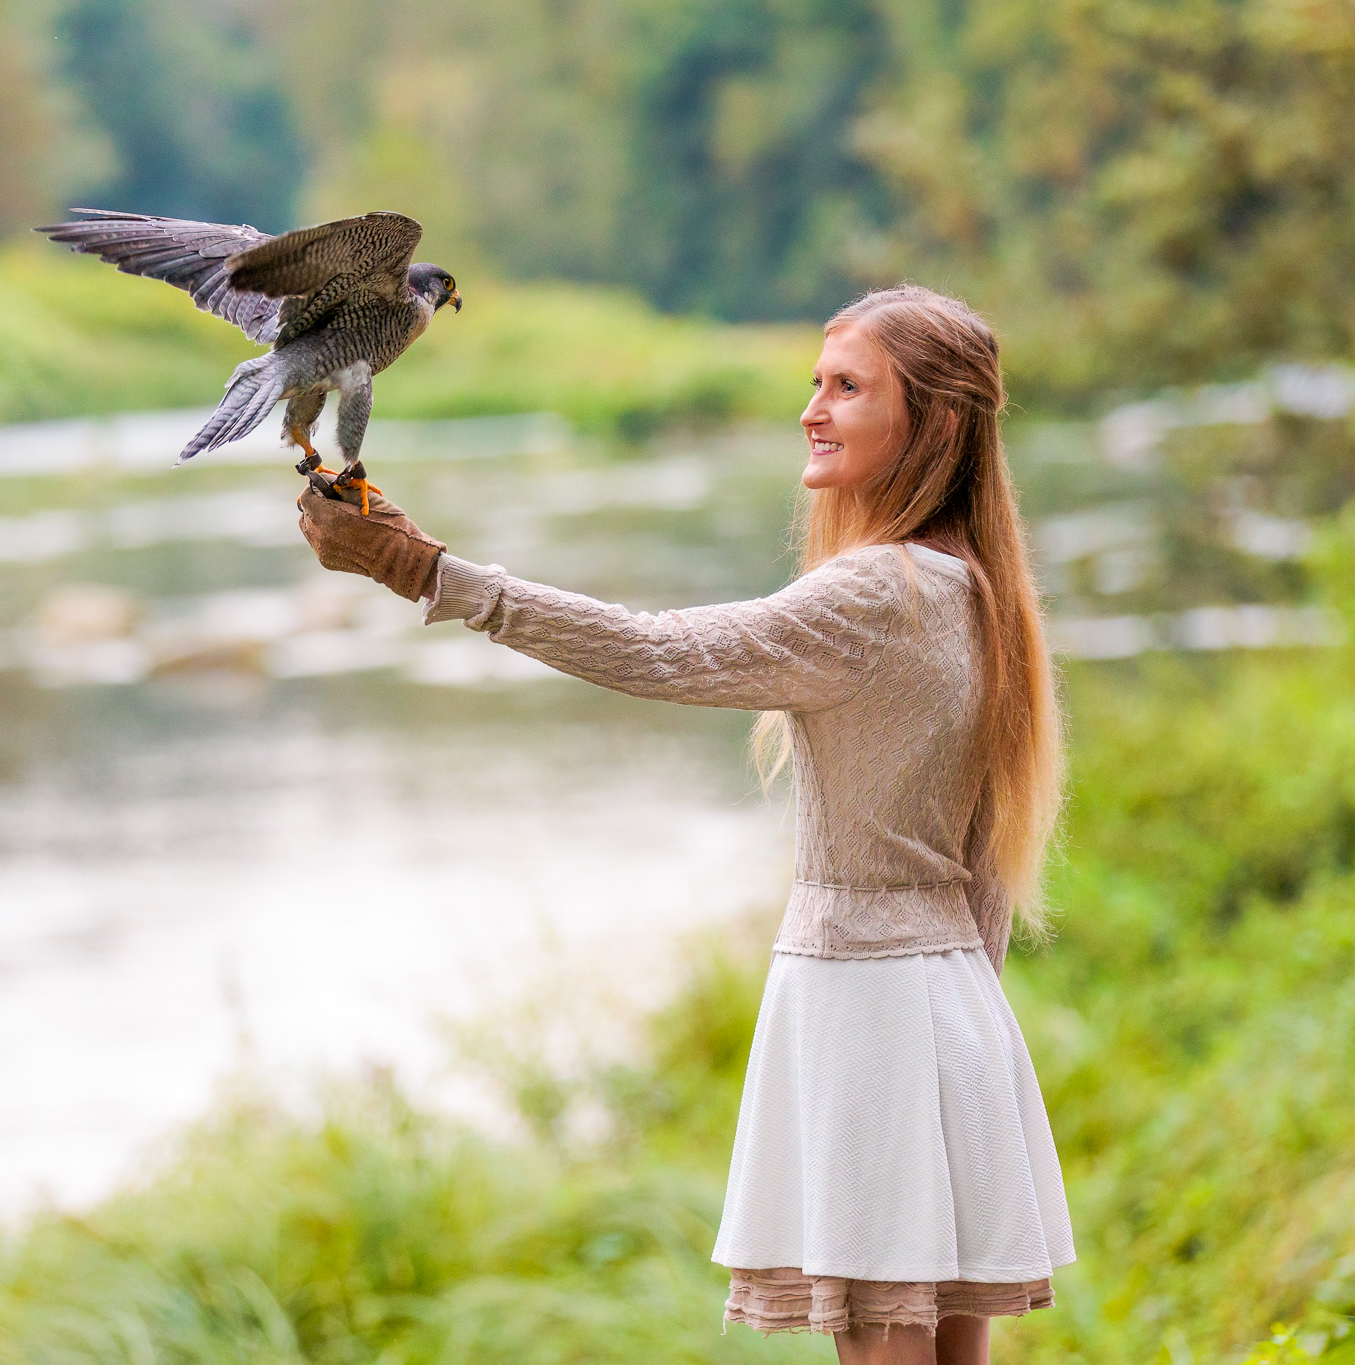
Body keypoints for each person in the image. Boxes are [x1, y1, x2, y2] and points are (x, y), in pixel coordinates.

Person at [295, 283, 1073, 1365]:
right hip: (956, 1014)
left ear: (933, 424)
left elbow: (662, 650)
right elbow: (986, 869)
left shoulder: (875, 592)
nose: (812, 407)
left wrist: (428, 572)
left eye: (847, 387)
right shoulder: (974, 588)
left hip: (871, 1019)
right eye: (815, 381)